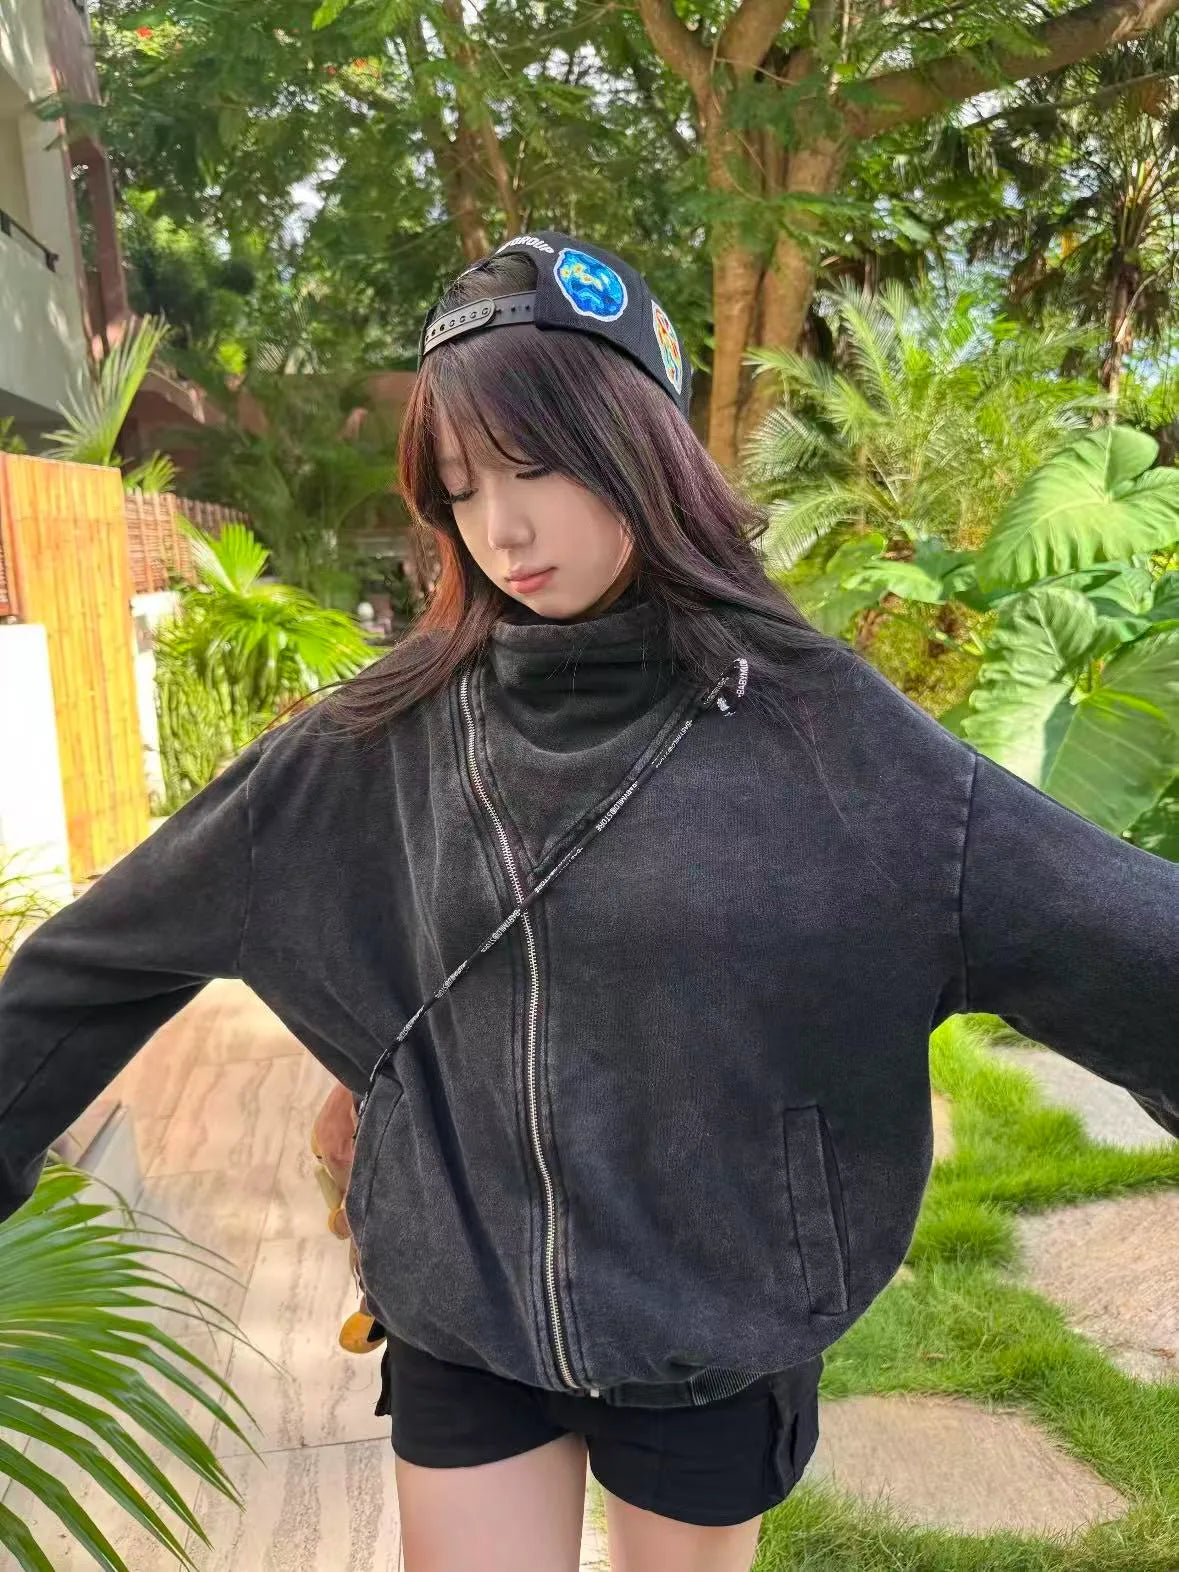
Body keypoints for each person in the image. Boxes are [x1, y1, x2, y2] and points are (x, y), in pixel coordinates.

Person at [1, 229, 1177, 1572]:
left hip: (708, 1325)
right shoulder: (373, 744)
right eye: (460, 488)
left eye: (538, 467)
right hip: (460, 1308)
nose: (501, 529)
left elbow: (1122, 936)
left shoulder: (834, 744)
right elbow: (97, 961)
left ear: (639, 450)